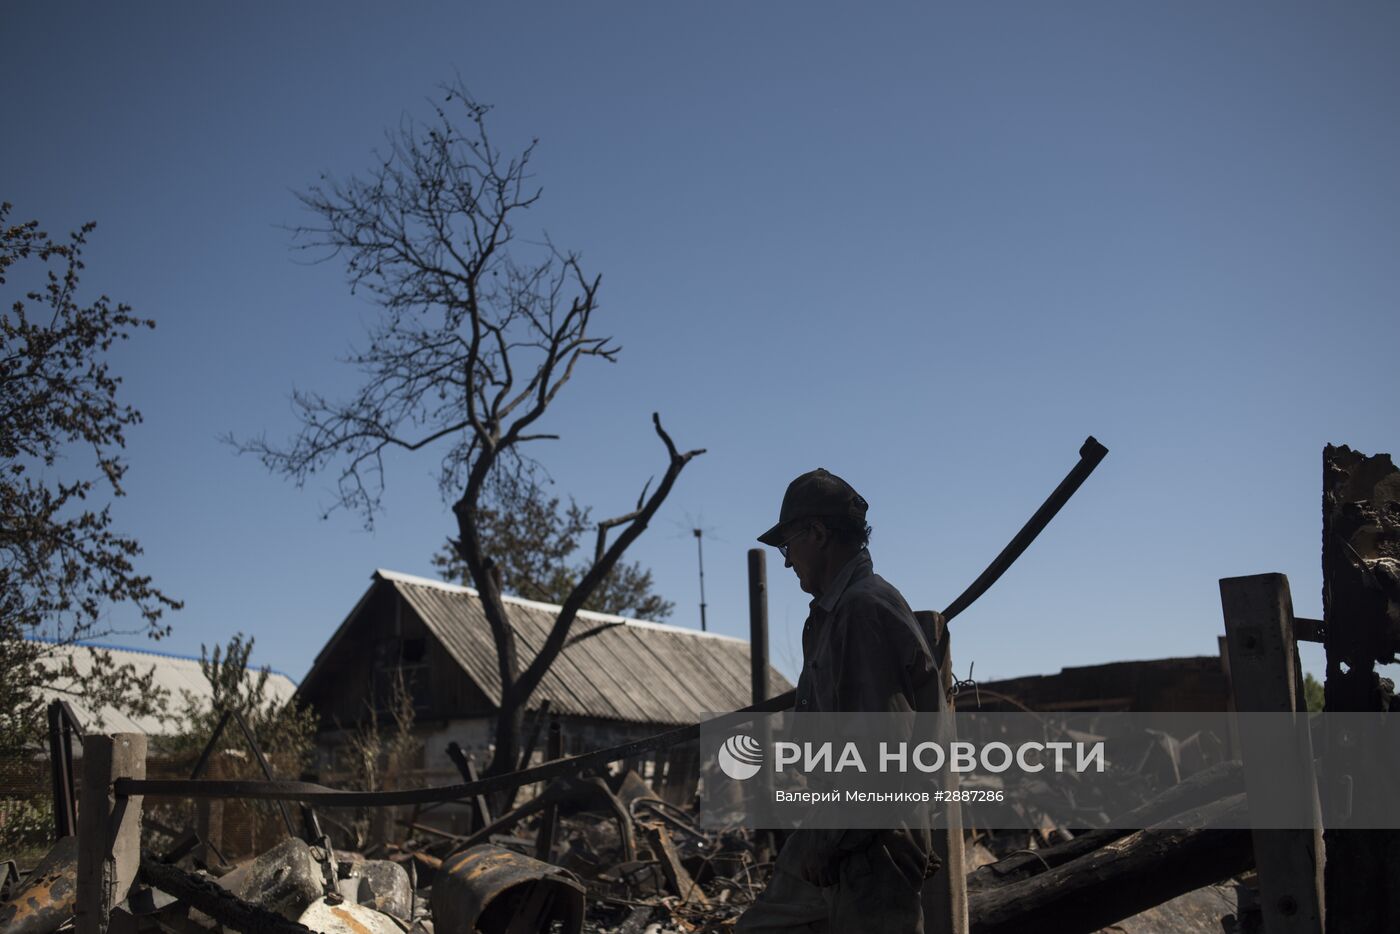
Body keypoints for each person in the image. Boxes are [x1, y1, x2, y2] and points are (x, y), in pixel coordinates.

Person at [736, 468, 941, 933]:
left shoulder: (862, 610)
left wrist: (823, 842)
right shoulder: (841, 611)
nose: (787, 563)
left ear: (819, 533)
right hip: (849, 825)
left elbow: (881, 756)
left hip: (869, 836)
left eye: (789, 546)